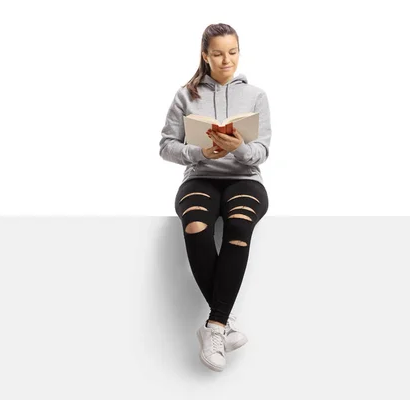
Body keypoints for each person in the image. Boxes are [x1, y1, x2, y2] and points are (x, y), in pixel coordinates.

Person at [159, 23, 271, 372]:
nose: (227, 60)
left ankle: (214, 327)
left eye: (233, 52)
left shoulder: (255, 95)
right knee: (194, 223)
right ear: (205, 55)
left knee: (239, 223)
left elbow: (263, 151)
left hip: (245, 179)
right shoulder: (185, 96)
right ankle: (224, 324)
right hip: (200, 176)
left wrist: (239, 148)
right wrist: (199, 152)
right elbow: (166, 146)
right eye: (219, 53)